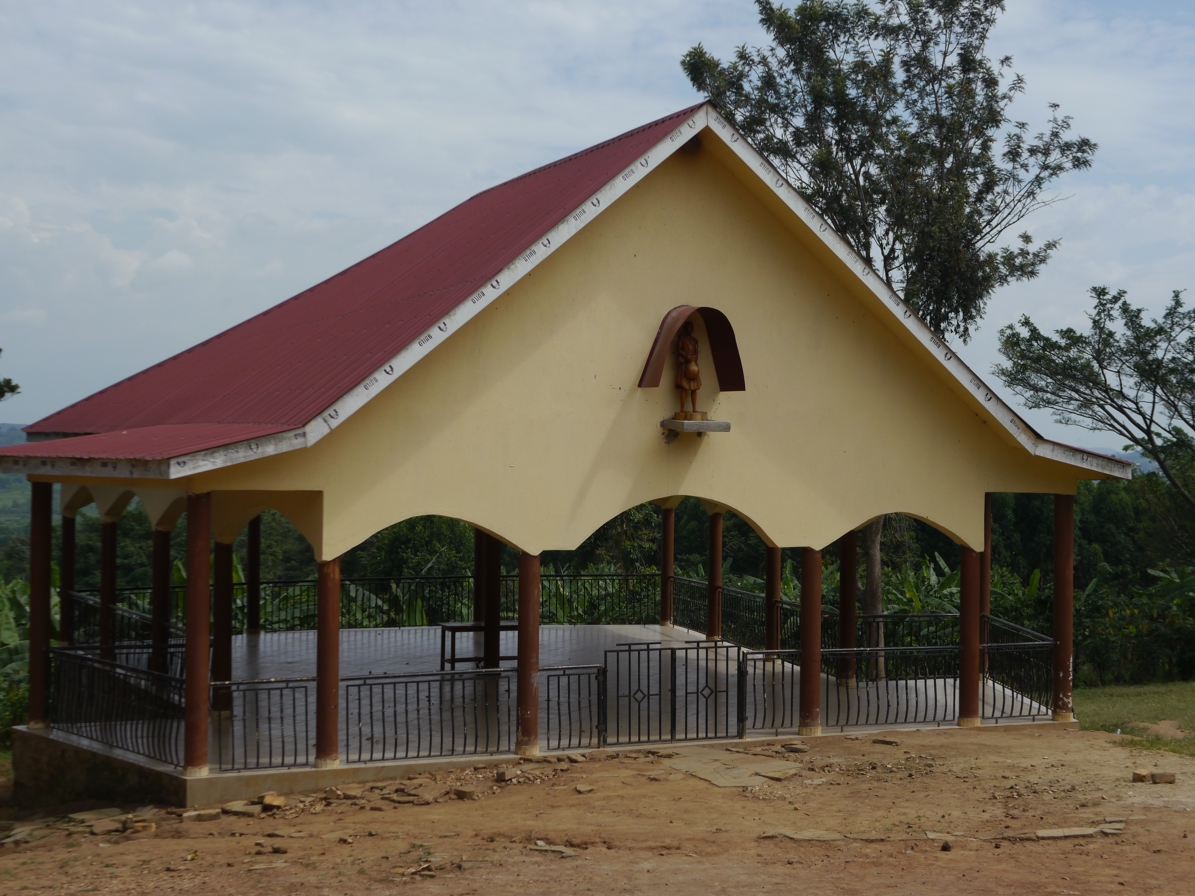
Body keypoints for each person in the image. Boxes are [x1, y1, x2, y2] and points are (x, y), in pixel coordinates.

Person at [675, 321, 701, 415]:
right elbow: (679, 350)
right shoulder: (682, 339)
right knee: (684, 387)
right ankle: (682, 408)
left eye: (691, 327)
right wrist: (686, 356)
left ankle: (694, 408)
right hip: (685, 365)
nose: (690, 329)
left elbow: (696, 352)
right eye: (688, 327)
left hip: (693, 365)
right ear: (685, 328)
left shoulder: (695, 340)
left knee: (694, 388)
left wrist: (694, 360)